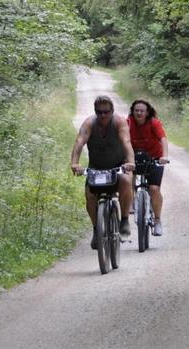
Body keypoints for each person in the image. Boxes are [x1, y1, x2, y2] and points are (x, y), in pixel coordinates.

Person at [71, 95, 136, 248]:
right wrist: (74, 163)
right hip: (97, 166)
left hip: (119, 164)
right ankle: (96, 230)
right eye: (99, 112)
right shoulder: (89, 123)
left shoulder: (119, 122)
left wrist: (130, 162)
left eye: (106, 112)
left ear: (112, 111)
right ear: (95, 112)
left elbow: (126, 142)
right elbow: (79, 141)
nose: (103, 115)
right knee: (89, 194)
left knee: (126, 181)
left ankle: (125, 220)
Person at [126, 99, 169, 236]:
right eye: (136, 110)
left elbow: (163, 139)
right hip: (133, 157)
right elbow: (122, 139)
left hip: (154, 158)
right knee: (128, 177)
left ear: (147, 112)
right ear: (133, 112)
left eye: (142, 111)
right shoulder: (128, 122)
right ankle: (131, 201)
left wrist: (165, 156)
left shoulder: (154, 123)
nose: (139, 113)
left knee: (154, 188)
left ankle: (157, 220)